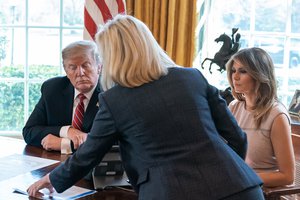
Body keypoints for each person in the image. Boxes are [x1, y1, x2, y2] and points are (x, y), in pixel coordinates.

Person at [27, 15, 264, 200]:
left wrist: (51, 179)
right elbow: (237, 138)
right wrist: (226, 172)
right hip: (240, 188)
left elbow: (87, 155)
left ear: (113, 57)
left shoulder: (115, 100)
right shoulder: (192, 78)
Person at [226, 47, 295, 187]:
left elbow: (288, 176)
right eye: (234, 70)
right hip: (239, 187)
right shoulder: (234, 107)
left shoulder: (277, 115)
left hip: (264, 192)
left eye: (243, 71)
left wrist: (243, 178)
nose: (235, 76)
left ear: (259, 75)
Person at [23, 40, 102, 154]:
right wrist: (66, 131)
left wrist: (64, 144)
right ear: (66, 70)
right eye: (73, 67)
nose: (80, 73)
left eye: (85, 65)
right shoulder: (52, 89)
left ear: (99, 67)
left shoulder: (110, 93)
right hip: (56, 165)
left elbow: (114, 141)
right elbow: (29, 132)